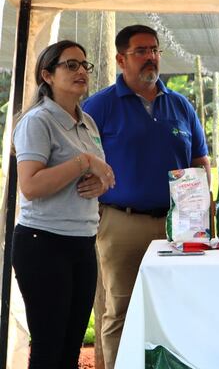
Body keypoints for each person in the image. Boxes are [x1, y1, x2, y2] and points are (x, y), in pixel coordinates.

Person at [81, 25, 209, 368]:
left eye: (155, 50)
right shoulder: (100, 106)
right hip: (121, 222)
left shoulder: (181, 106)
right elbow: (80, 162)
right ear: (122, 59)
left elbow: (200, 161)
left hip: (178, 227)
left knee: (178, 305)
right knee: (120, 309)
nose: (151, 57)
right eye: (141, 51)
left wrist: (202, 208)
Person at [12, 40, 115, 368]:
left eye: (85, 65)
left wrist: (99, 181)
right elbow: (29, 186)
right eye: (71, 65)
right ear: (47, 75)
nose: (81, 71)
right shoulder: (38, 121)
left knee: (70, 348)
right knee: (48, 348)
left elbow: (105, 176)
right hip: (43, 244)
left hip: (83, 243)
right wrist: (83, 162)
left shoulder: (88, 123)